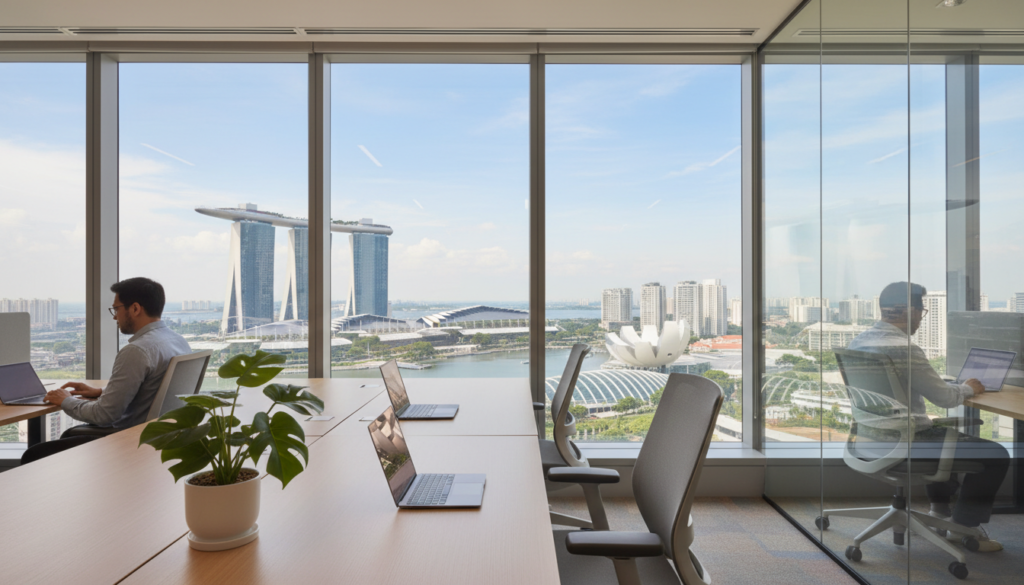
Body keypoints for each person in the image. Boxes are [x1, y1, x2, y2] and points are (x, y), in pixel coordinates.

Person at [848, 281, 1009, 552]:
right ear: (909, 310)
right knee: (996, 455)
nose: (921, 317)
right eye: (922, 311)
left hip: (867, 439)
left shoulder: (860, 340)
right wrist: (969, 387)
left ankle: (939, 512)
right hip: (903, 444)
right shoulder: (904, 347)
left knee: (942, 433)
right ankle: (965, 528)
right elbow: (945, 399)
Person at [21, 277, 191, 464]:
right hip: (163, 436)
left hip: (128, 439)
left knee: (33, 455)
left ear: (135, 308)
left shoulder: (137, 350)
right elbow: (154, 391)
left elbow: (104, 415)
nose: (114, 316)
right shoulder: (178, 341)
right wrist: (103, 393)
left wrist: (65, 400)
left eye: (116, 309)